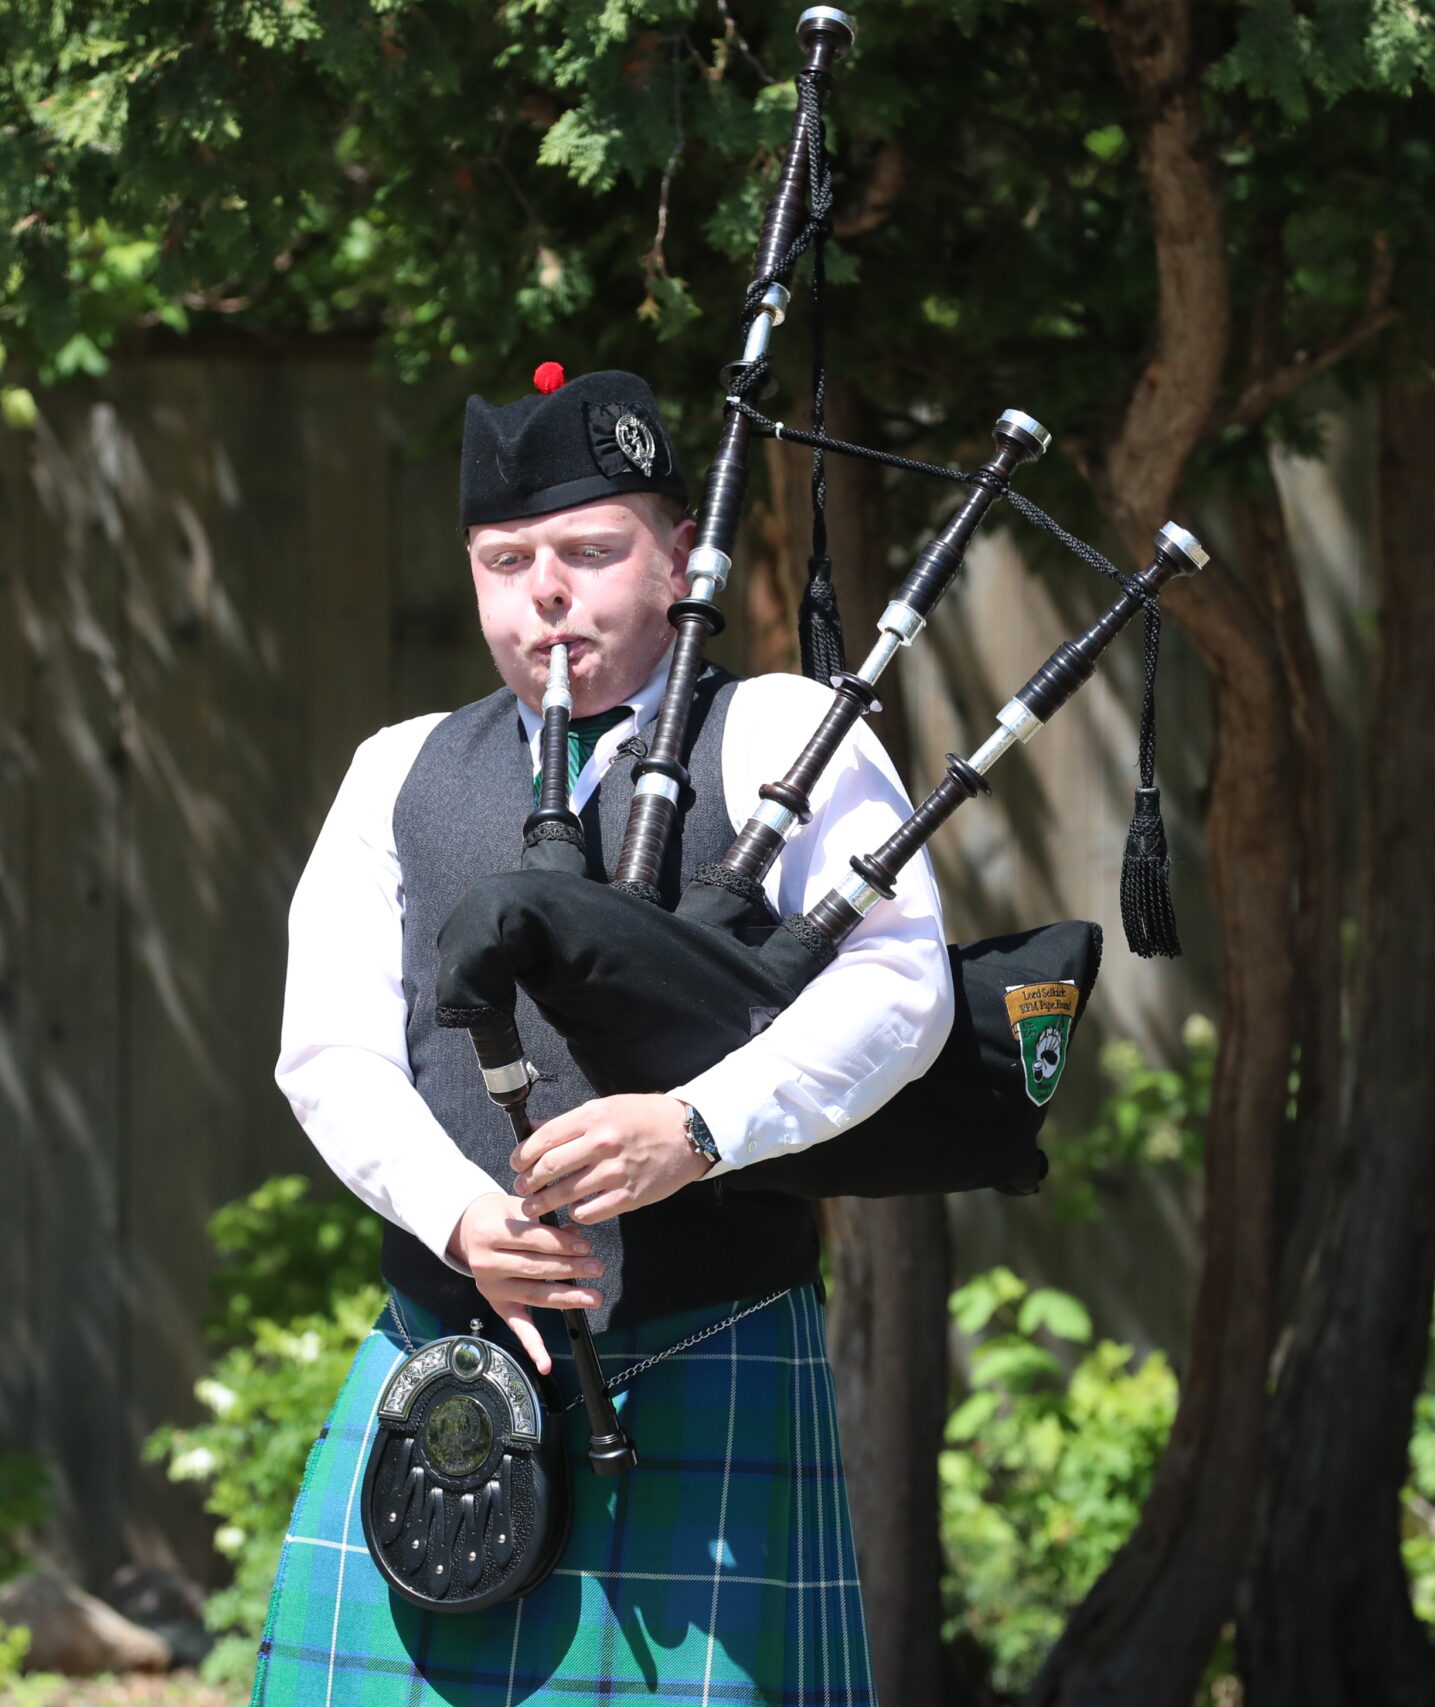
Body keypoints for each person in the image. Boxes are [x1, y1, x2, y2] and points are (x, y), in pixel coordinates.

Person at [254, 365, 950, 1704]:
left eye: (589, 551)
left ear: (680, 556)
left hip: (704, 1344)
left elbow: (900, 985)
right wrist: (463, 1216)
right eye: (506, 562)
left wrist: (697, 1128)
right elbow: (329, 1049)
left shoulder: (776, 730)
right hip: (446, 1360)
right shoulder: (396, 767)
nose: (547, 596)